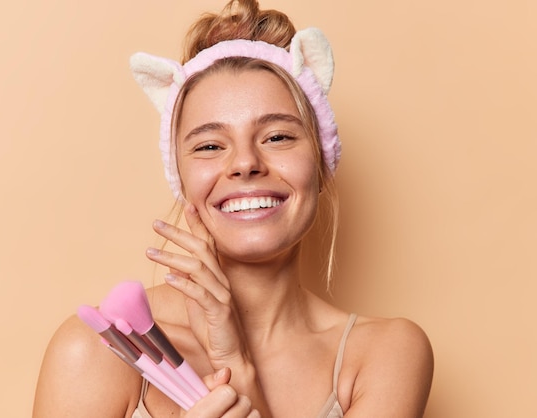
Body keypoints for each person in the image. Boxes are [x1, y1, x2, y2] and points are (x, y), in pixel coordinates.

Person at [32, 0, 434, 417]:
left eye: (277, 137)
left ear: (322, 161)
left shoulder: (384, 355)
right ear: (182, 180)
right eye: (209, 146)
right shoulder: (100, 349)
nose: (245, 163)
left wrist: (236, 369)